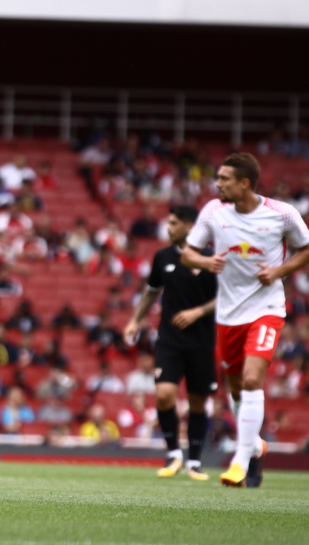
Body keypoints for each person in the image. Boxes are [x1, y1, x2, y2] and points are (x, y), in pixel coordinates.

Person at [182, 153, 309, 488]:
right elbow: (187, 253)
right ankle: (255, 445)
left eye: (224, 179)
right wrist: (205, 259)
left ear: (244, 183)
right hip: (229, 315)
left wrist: (278, 271)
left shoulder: (282, 214)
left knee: (253, 379)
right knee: (237, 389)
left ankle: (240, 461)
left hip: (266, 310)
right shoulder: (213, 212)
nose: (217, 184)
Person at [123, 205, 218, 481]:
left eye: (175, 223)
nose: (169, 227)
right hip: (169, 339)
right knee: (164, 394)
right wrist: (134, 320)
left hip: (201, 340)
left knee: (197, 402)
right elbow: (152, 291)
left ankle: (195, 462)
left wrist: (197, 312)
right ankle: (174, 454)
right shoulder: (162, 256)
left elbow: (227, 295)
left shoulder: (211, 258)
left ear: (190, 227)